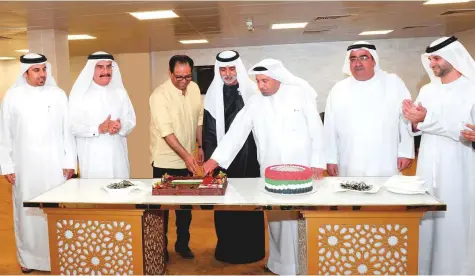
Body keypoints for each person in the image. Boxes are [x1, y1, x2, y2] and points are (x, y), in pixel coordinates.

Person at [203, 58, 326, 275]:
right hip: (270, 170)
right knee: (277, 220)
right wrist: (215, 159)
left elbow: (317, 129)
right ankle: (279, 265)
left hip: (301, 169)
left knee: (300, 219)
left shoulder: (300, 95)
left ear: (277, 78)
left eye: (265, 81)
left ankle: (304, 266)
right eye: (258, 81)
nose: (260, 86)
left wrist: (317, 163)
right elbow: (236, 132)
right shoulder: (255, 102)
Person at [402, 36, 475, 275]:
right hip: (427, 168)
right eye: (430, 58)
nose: (432, 63)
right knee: (427, 221)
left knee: (456, 220)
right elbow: (417, 128)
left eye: (436, 58)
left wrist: (425, 121)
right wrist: (412, 120)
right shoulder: (427, 89)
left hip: (460, 168)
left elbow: (464, 131)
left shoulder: (471, 88)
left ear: (453, 57)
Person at [0, 53, 77, 273]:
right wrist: (7, 166)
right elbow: (4, 135)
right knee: (26, 215)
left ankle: (56, 258)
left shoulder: (59, 95)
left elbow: (67, 132)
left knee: (53, 212)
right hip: (25, 168)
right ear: (25, 73)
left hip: (54, 167)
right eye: (36, 70)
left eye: (44, 69)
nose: (42, 74)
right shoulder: (12, 97)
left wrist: (69, 161)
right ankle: (28, 260)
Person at [202, 50, 264, 264]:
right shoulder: (212, 95)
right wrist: (212, 162)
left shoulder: (254, 92)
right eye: (223, 69)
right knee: (226, 205)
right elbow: (209, 132)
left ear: (238, 68)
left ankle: (252, 249)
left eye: (231, 69)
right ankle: (227, 249)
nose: (228, 73)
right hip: (222, 161)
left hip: (250, 159)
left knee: (249, 203)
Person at [323, 41, 414, 177]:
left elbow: (406, 119)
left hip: (385, 159)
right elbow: (329, 127)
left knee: (386, 195)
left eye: (363, 58)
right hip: (349, 159)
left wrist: (406, 152)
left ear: (374, 61)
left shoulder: (393, 84)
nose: (358, 63)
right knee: (350, 194)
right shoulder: (338, 89)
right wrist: (330, 159)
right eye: (353, 59)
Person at [149, 55, 203, 261]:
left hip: (188, 158)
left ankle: (182, 245)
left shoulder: (195, 89)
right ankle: (159, 248)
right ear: (170, 73)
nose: (184, 80)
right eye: (178, 76)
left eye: (187, 76)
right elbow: (167, 133)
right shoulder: (159, 96)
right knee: (161, 210)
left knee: (184, 208)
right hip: (165, 161)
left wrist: (200, 146)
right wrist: (188, 156)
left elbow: (199, 119)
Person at [69, 51, 136, 178]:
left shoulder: (120, 92)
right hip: (93, 162)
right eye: (100, 67)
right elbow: (72, 127)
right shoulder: (79, 95)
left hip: (118, 160)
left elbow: (131, 120)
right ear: (91, 69)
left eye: (108, 66)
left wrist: (120, 127)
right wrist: (98, 128)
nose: (105, 71)